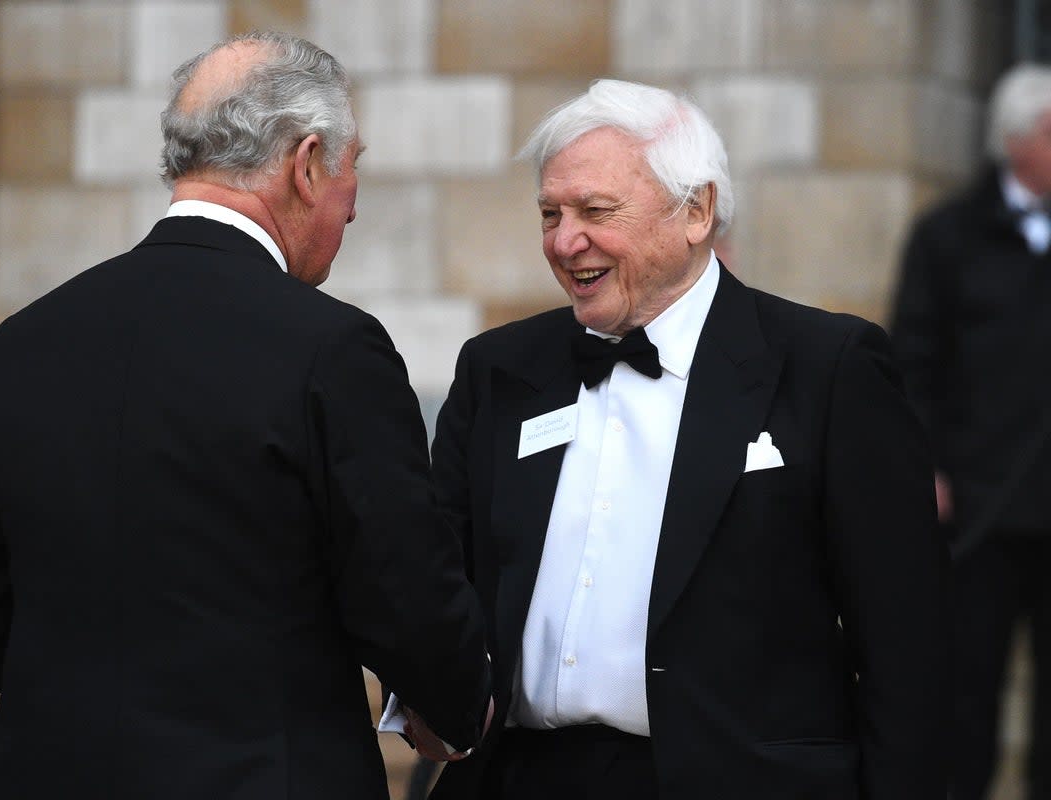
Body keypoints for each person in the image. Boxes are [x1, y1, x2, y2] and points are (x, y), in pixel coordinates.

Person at [0, 31, 490, 800]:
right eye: (355, 166)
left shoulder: (27, 340)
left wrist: (90, 699)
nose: (353, 201)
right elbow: (404, 593)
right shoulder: (332, 349)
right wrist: (454, 709)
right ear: (307, 162)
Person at [402, 79, 949, 799]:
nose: (566, 241)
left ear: (697, 211)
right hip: (521, 779)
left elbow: (906, 640)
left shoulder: (830, 368)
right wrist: (424, 699)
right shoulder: (499, 370)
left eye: (596, 211)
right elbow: (439, 578)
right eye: (550, 214)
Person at [890, 63, 1051, 800]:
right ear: (1017, 141)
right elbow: (910, 363)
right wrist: (926, 470)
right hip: (976, 513)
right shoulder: (946, 236)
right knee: (967, 694)